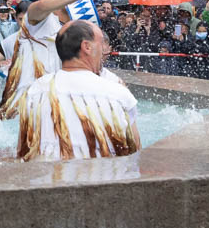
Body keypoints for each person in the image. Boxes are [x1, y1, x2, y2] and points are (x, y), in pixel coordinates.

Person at [17, 21, 141, 161]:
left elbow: (23, 152)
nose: (105, 50)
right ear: (86, 47)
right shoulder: (119, 94)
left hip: (48, 180)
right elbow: (135, 154)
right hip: (102, 178)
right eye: (101, 43)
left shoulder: (34, 91)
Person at [0, 0, 109, 119]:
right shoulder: (39, 21)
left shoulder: (82, 28)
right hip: (27, 107)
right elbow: (42, 6)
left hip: (60, 107)